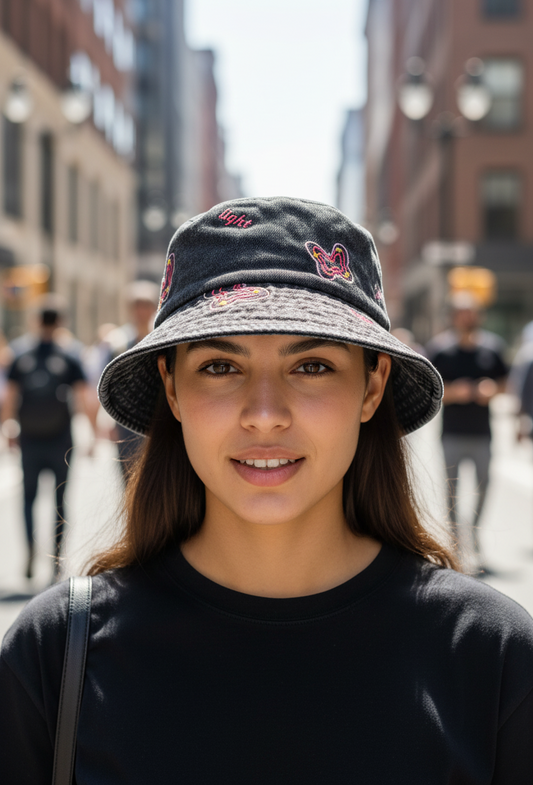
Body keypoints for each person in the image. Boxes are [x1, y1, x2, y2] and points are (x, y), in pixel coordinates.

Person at [1, 197, 532, 784]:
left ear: (372, 385)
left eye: (311, 366)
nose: (264, 414)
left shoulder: (494, 657)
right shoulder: (57, 655)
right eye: (220, 367)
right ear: (171, 389)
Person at [0, 296, 90, 580]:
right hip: (61, 439)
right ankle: (55, 559)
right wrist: (93, 434)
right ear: (60, 322)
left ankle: (29, 551)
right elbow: (83, 397)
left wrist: (8, 429)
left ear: (36, 321)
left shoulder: (21, 353)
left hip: (29, 438)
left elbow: (10, 396)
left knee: (27, 499)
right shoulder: (70, 354)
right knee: (60, 501)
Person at [427, 293, 508, 567]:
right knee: (452, 492)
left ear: (478, 316)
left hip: (482, 434)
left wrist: (492, 390)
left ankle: (473, 533)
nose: (467, 318)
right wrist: (453, 392)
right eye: (462, 313)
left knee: (484, 487)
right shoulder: (440, 350)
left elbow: (505, 384)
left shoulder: (493, 348)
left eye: (471, 313)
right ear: (454, 317)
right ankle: (455, 542)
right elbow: (430, 391)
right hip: (451, 433)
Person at [106, 280, 160, 478]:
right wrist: (110, 421)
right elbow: (113, 387)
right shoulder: (119, 346)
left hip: (159, 421)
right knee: (129, 480)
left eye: (145, 305)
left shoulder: (163, 343)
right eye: (136, 306)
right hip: (127, 425)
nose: (141, 311)